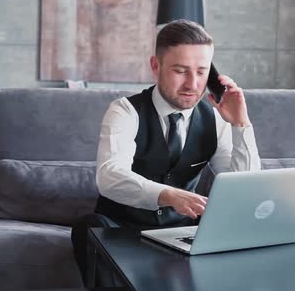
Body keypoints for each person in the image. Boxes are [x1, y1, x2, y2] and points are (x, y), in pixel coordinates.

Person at [71, 19, 261, 285]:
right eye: (181, 71)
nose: (193, 84)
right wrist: (167, 195)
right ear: (155, 66)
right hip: (123, 227)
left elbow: (244, 189)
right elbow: (110, 176)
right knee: (88, 227)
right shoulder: (125, 111)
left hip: (184, 230)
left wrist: (241, 124)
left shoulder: (216, 118)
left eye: (201, 72)